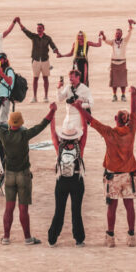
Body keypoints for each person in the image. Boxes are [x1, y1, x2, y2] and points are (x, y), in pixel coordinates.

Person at [0, 97, 56, 245]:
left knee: (8, 208)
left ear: (10, 124)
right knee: (23, 209)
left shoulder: (4, 135)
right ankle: (27, 238)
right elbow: (41, 125)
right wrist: (52, 111)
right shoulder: (25, 135)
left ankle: (6, 237)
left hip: (9, 175)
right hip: (24, 175)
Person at [77, 92, 136, 247]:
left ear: (115, 119)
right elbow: (134, 112)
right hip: (128, 175)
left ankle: (110, 236)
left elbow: (91, 120)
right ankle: (131, 236)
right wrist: (133, 96)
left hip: (112, 176)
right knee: (129, 206)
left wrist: (79, 108)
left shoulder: (109, 133)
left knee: (111, 206)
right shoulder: (131, 131)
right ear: (127, 121)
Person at [47, 104, 90, 247]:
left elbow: (52, 131)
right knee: (76, 211)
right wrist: (81, 110)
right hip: (77, 180)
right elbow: (85, 129)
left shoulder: (59, 147)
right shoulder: (80, 146)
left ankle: (52, 238)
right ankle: (79, 239)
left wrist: (52, 113)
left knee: (59, 211)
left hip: (61, 182)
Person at [18, 18, 59, 102]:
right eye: (37, 28)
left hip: (45, 60)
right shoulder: (34, 36)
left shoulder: (47, 38)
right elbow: (25, 31)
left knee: (45, 78)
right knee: (35, 78)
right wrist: (19, 22)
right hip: (36, 60)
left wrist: (57, 52)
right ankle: (34, 97)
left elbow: (53, 46)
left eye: (40, 28)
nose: (38, 30)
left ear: (43, 29)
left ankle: (46, 97)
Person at [57, 69, 93, 135]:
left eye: (72, 77)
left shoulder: (85, 89)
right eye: (69, 77)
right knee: (64, 136)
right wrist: (59, 88)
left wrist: (79, 104)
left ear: (78, 77)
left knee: (75, 138)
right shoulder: (68, 87)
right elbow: (60, 99)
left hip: (77, 117)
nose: (70, 79)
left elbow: (91, 103)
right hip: (67, 117)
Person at [108, 23, 134, 101]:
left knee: (123, 80)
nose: (117, 35)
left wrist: (130, 26)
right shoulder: (112, 42)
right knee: (114, 81)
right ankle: (114, 95)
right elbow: (105, 40)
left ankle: (123, 95)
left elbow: (129, 33)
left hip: (122, 63)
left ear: (121, 34)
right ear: (115, 34)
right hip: (114, 63)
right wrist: (102, 36)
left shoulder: (124, 41)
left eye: (119, 33)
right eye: (116, 33)